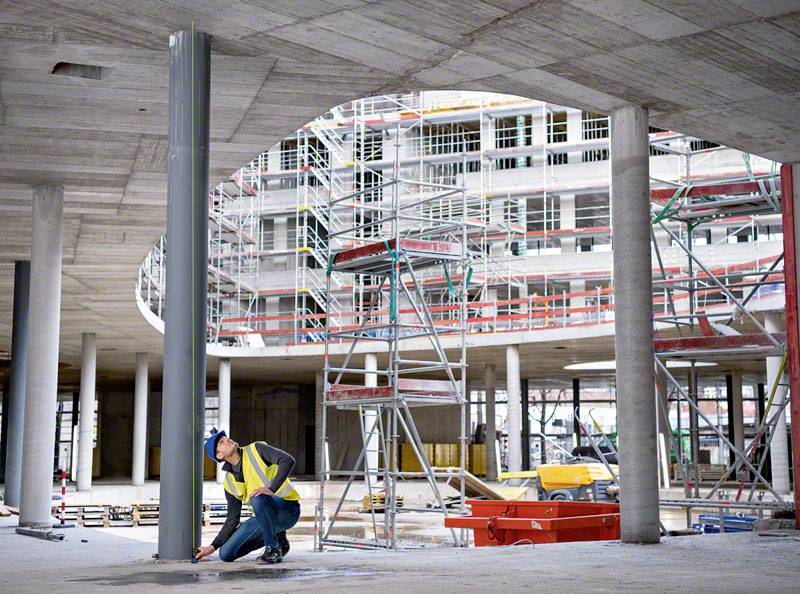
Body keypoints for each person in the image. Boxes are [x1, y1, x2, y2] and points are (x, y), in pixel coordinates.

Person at [195, 429, 301, 564]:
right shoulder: (229, 482)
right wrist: (212, 547)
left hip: (288, 511)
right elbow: (232, 518)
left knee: (257, 497)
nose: (227, 440)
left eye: (226, 438)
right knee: (226, 554)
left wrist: (271, 489)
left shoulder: (256, 449)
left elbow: (287, 460)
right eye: (222, 442)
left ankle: (273, 549)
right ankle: (279, 540)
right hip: (264, 517)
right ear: (219, 456)